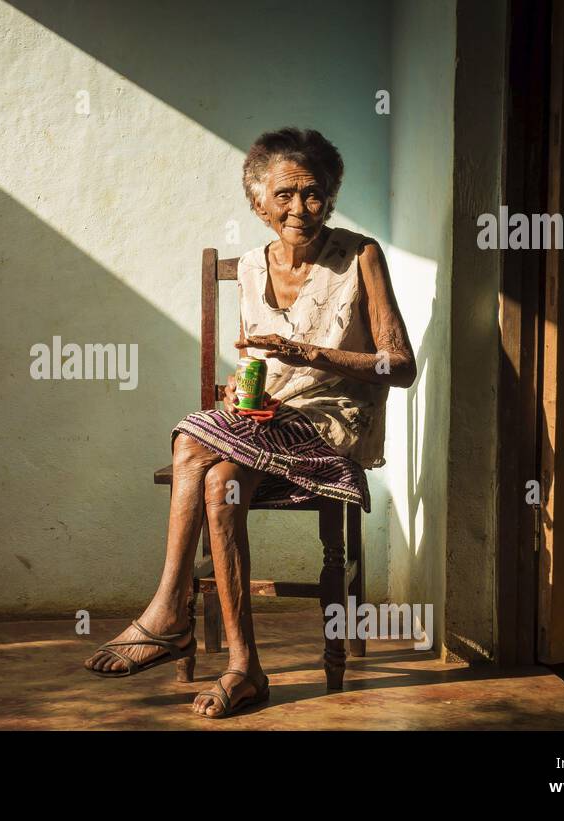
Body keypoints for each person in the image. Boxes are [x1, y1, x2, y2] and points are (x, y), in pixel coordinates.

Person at [83, 127, 417, 718]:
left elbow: (401, 366)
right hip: (270, 419)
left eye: (313, 194)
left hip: (336, 419)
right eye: (283, 195)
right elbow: (257, 364)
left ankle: (166, 614)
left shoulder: (361, 255)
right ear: (258, 203)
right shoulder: (252, 266)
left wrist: (314, 355)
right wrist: (245, 387)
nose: (299, 209)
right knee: (218, 480)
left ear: (331, 197)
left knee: (191, 436)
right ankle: (246, 669)